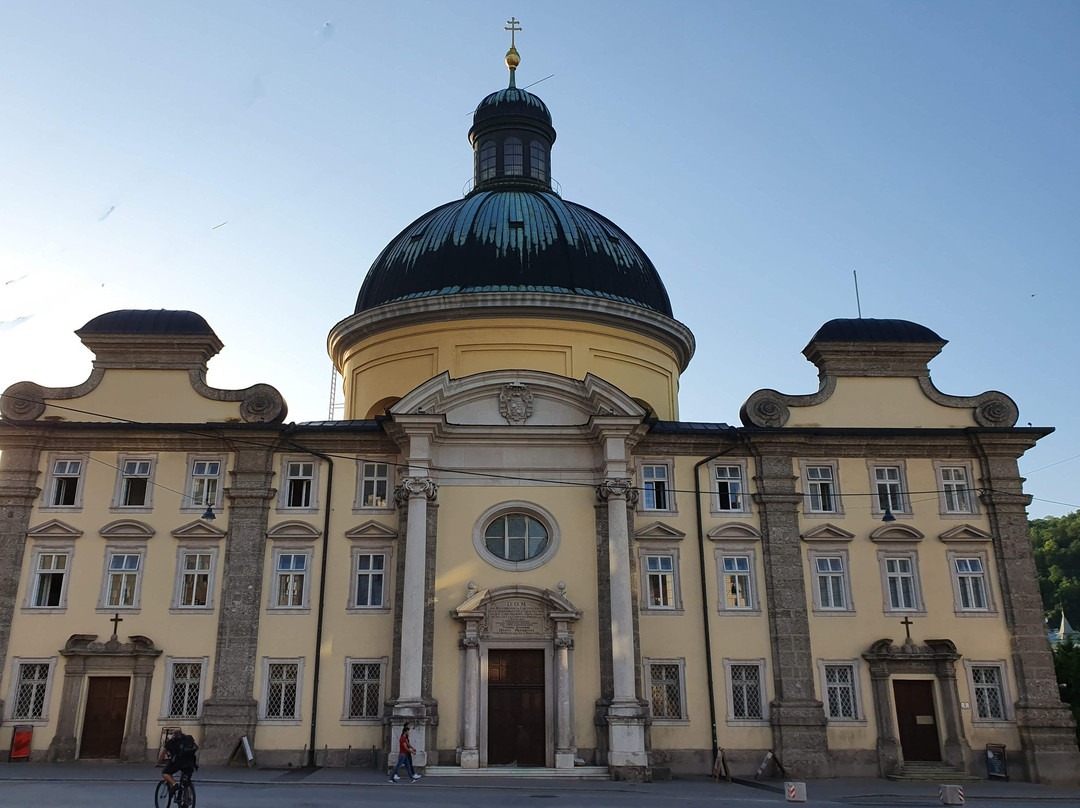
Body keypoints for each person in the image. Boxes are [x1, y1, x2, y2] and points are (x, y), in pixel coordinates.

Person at [162, 729, 198, 796]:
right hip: (190, 763)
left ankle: (174, 784)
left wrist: (158, 763)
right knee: (186, 781)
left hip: (178, 763)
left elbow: (163, 754)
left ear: (173, 735)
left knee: (166, 773)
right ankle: (187, 799)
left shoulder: (171, 742)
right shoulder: (188, 739)